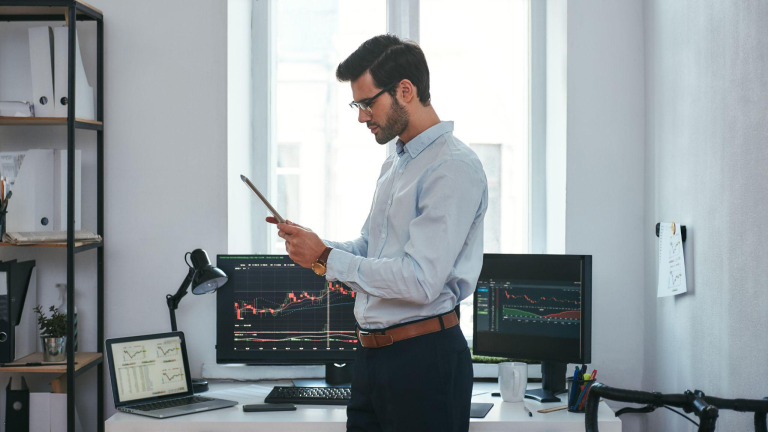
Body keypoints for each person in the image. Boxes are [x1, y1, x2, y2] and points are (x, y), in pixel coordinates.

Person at [268, 34, 488, 432]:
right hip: (372, 360)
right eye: (358, 104)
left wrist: (327, 259)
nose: (361, 116)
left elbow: (420, 281)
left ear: (405, 90)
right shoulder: (395, 165)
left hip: (424, 360)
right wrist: (315, 244)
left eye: (368, 103)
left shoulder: (452, 167)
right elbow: (370, 249)